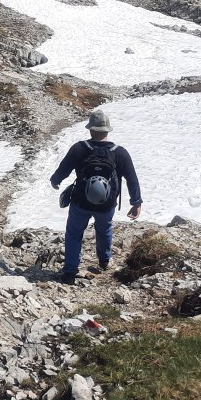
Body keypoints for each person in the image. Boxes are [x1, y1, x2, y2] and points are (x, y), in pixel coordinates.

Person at [49, 110, 142, 285]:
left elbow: (64, 168)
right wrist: (136, 202)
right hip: (107, 204)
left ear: (91, 129)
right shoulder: (120, 153)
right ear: (107, 130)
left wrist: (55, 180)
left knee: (74, 233)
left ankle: (70, 272)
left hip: (80, 201)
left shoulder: (80, 148)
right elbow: (132, 179)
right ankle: (104, 260)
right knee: (104, 229)